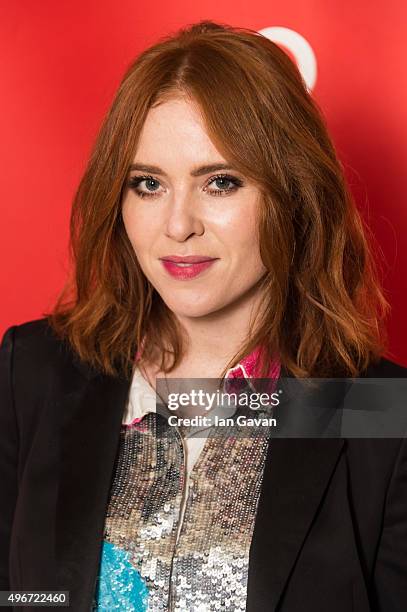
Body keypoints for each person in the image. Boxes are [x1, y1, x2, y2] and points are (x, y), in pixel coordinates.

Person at [1, 19, 406, 612]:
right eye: (147, 184)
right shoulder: (32, 373)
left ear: (293, 196)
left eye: (220, 182)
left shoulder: (383, 416)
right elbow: (20, 597)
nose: (177, 224)